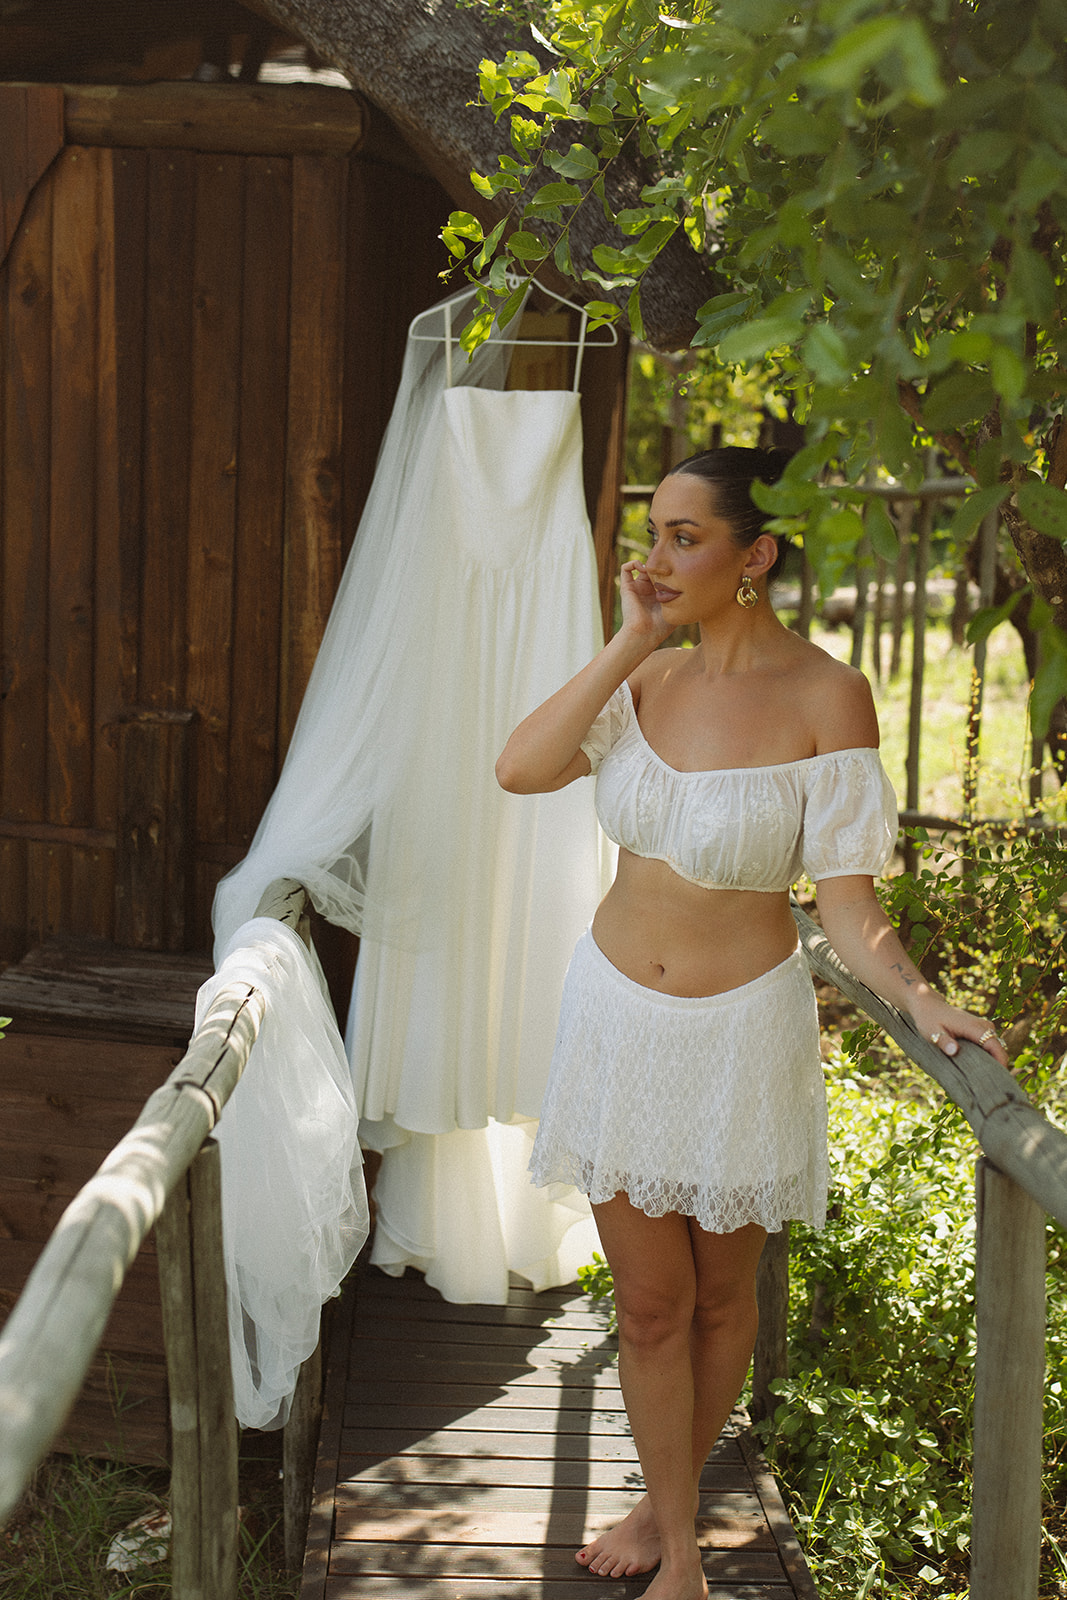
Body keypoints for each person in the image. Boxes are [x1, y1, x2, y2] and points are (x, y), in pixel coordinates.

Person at [495, 447, 1009, 1600]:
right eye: (652, 531)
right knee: (648, 1304)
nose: (656, 557)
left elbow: (847, 901)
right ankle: (678, 1546)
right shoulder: (647, 681)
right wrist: (629, 638)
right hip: (616, 1019)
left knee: (723, 1299)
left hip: (738, 1033)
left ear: (755, 555)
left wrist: (919, 997)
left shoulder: (825, 694)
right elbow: (520, 767)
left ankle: (660, 1507)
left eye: (685, 537)